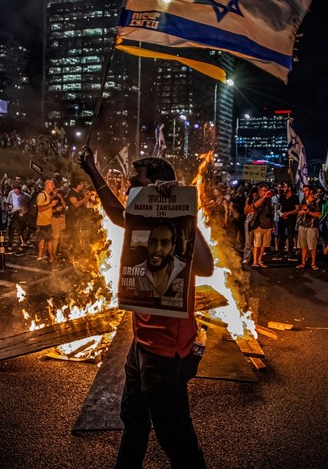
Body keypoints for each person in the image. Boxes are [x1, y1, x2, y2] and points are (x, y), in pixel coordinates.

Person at [77, 144, 211, 468]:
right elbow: (114, 211)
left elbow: (205, 266)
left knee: (175, 437)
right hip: (141, 346)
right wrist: (92, 171)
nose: (128, 187)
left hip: (167, 355)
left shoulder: (176, 229)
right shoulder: (142, 223)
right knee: (134, 420)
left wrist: (180, 206)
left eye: (135, 181)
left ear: (154, 188)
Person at [132, 220, 188, 299]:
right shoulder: (135, 273)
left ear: (172, 249)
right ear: (147, 245)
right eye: (153, 242)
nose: (157, 249)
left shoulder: (184, 270)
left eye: (164, 243)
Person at [245, 182, 274, 268]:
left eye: (266, 191)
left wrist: (273, 225)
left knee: (263, 245)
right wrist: (264, 197)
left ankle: (259, 260)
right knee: (257, 244)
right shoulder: (256, 199)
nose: (265, 192)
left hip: (267, 225)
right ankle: (254, 261)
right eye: (263, 191)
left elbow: (271, 212)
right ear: (259, 192)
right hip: (258, 225)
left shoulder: (269, 200)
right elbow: (256, 205)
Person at [295, 184, 322, 270]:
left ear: (310, 191)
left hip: (312, 226)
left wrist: (308, 211)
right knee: (303, 246)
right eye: (304, 191)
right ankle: (303, 262)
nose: (304, 192)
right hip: (303, 225)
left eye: (306, 190)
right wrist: (301, 212)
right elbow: (299, 211)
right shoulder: (303, 201)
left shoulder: (316, 202)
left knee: (312, 246)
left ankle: (313, 263)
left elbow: (318, 214)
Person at [34, 178, 56, 264]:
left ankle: (40, 256)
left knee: (42, 240)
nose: (53, 187)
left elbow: (46, 209)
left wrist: (54, 209)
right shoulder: (42, 195)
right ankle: (51, 257)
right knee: (49, 241)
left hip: (47, 221)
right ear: (47, 185)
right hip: (44, 222)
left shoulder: (48, 195)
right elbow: (40, 208)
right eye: (52, 185)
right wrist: (51, 204)